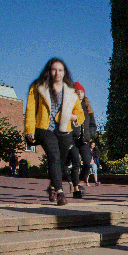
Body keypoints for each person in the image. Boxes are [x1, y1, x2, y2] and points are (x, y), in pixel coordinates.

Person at [24, 58, 85, 206]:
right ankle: (60, 192)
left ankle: (51, 187)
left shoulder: (71, 91)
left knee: (60, 161)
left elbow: (80, 114)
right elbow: (30, 109)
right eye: (54, 69)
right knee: (54, 155)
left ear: (64, 72)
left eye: (60, 70)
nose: (57, 73)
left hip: (65, 130)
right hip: (45, 128)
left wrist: (73, 117)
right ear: (49, 71)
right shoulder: (38, 86)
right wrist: (29, 129)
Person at [66, 82, 98, 198]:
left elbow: (93, 125)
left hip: (84, 140)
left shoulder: (87, 108)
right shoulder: (69, 106)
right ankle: (76, 189)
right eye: (77, 92)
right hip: (73, 140)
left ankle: (79, 183)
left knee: (87, 163)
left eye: (81, 92)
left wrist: (90, 134)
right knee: (75, 163)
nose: (79, 94)